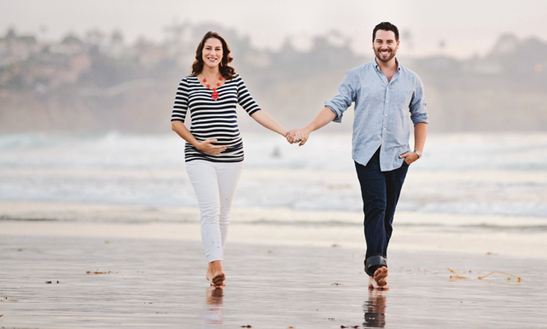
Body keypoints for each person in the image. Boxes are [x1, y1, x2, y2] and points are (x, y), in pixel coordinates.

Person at [287, 22, 428, 290]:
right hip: (367, 153)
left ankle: (375, 265)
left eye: (389, 41)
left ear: (398, 44)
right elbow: (335, 105)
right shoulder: (357, 76)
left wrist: (417, 152)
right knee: (376, 205)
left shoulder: (412, 80)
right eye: (379, 41)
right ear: (372, 44)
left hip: (399, 156)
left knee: (387, 215)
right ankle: (378, 265)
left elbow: (420, 117)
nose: (384, 46)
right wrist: (308, 129)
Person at [171, 31, 291, 288]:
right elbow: (176, 122)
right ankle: (218, 266)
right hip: (198, 156)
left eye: (218, 49)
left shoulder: (234, 81)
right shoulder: (188, 83)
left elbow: (255, 111)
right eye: (208, 48)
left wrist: (284, 132)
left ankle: (212, 267)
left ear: (224, 54)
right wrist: (197, 143)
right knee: (210, 211)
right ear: (200, 52)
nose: (212, 53)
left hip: (233, 157)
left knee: (223, 215)